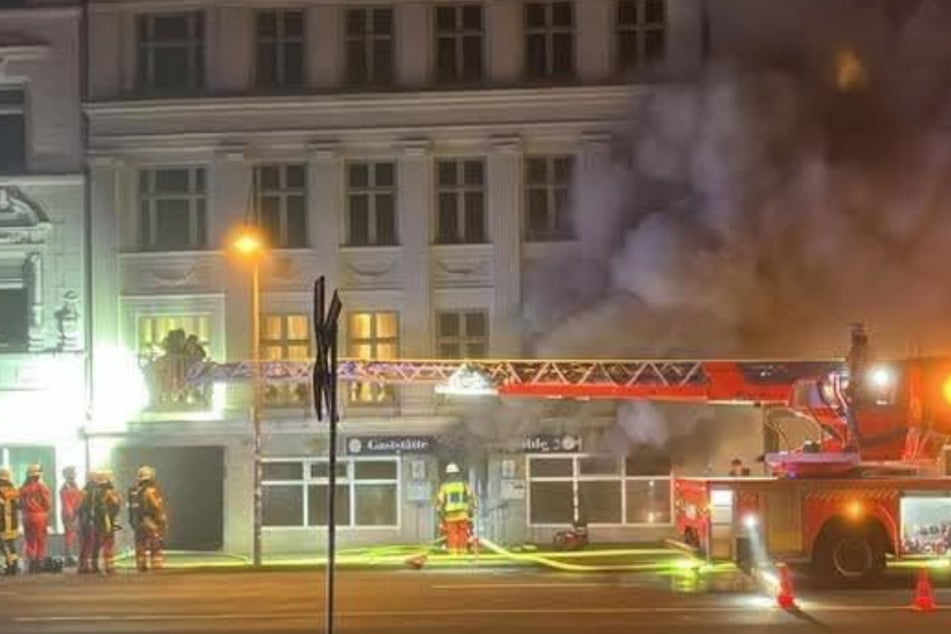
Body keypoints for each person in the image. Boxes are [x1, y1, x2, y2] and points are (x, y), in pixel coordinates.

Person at [128, 466, 167, 572]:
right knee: (155, 542)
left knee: (140, 543)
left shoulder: (132, 490)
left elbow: (130, 508)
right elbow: (157, 506)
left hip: (137, 521)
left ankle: (141, 564)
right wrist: (161, 519)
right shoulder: (152, 490)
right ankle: (156, 565)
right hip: (150, 521)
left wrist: (132, 521)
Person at [435, 463, 476, 556]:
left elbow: (440, 501)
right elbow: (471, 498)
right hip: (462, 514)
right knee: (463, 533)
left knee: (451, 534)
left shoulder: (444, 486)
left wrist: (439, 513)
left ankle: (453, 553)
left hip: (450, 515)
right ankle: (462, 552)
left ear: (448, 474)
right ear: (457, 473)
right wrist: (472, 512)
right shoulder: (464, 484)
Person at [19, 464, 51, 573]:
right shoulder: (42, 487)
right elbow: (47, 504)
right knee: (41, 540)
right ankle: (39, 562)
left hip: (26, 516)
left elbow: (19, 504)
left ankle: (31, 563)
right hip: (39, 516)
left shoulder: (23, 488)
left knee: (29, 540)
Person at [91, 470, 122, 575]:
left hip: (97, 521)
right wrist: (109, 520)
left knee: (97, 544)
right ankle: (108, 566)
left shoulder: (94, 492)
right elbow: (116, 505)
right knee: (108, 543)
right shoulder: (109, 492)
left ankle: (95, 565)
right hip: (106, 521)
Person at [59, 466, 83, 567]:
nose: (74, 475)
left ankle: (71, 556)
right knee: (69, 536)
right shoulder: (66, 488)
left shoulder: (73, 486)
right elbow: (66, 503)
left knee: (73, 536)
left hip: (74, 513)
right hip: (70, 515)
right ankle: (69, 557)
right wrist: (71, 515)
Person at [77, 471, 100, 574]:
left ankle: (83, 565)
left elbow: (79, 507)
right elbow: (95, 507)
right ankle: (89, 565)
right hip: (91, 519)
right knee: (92, 542)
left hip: (83, 520)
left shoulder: (83, 490)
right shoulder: (95, 490)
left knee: (84, 543)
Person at [0, 468, 20, 576]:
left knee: (3, 544)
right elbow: (18, 505)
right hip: (12, 522)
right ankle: (14, 564)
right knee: (11, 543)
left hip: (2, 522)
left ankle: (10, 565)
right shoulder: (12, 488)